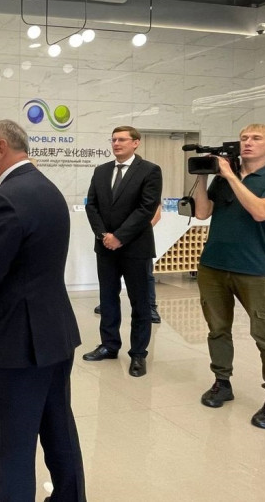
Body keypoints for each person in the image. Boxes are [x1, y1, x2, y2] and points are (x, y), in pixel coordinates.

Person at [0, 120, 85, 502]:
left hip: (16, 345)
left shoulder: (4, 198)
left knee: (12, 445)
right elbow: (26, 256)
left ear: (0, 149)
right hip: (54, 334)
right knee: (59, 430)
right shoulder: (47, 189)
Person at [193, 123, 265, 429]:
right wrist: (203, 177)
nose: (248, 143)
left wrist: (230, 176)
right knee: (217, 329)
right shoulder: (222, 178)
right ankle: (222, 382)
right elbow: (202, 213)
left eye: (256, 138)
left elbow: (261, 212)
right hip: (213, 265)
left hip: (254, 268)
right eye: (244, 138)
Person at [83, 126, 162, 378]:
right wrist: (103, 235)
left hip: (136, 247)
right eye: (113, 139)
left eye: (122, 140)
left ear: (136, 143)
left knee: (140, 302)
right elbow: (91, 205)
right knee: (107, 298)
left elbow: (146, 208)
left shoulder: (149, 170)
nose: (116, 143)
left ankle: (138, 353)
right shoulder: (101, 171)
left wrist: (119, 237)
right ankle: (109, 345)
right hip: (105, 247)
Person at [93, 204, 163, 324]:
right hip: (113, 236)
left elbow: (155, 211)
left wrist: (139, 230)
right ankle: (108, 303)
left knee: (145, 275)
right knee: (111, 275)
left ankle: (150, 306)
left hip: (138, 238)